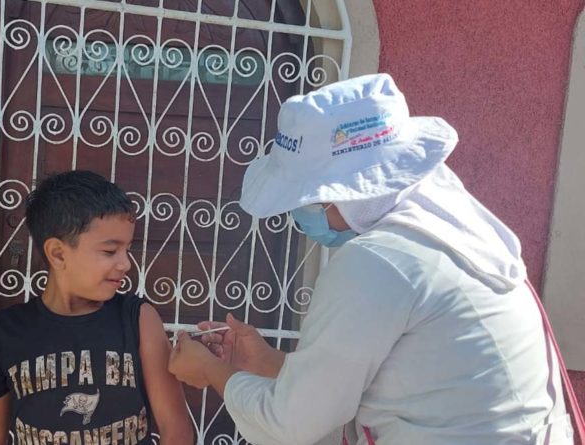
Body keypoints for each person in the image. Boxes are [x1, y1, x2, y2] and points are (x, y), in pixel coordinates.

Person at [168, 73, 574, 444]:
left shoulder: (380, 261)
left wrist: (212, 372)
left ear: (347, 191)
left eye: (309, 201)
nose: (301, 216)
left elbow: (289, 424)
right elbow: (395, 378)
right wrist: (269, 363)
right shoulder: (452, 234)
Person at [0, 171, 193, 445]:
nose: (125, 264)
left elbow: (176, 428)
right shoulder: (6, 331)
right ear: (58, 254)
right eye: (110, 251)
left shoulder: (137, 318)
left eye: (127, 249)